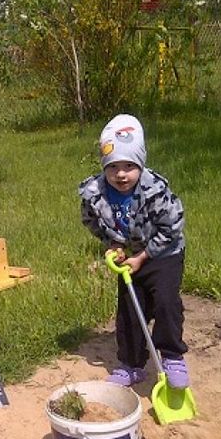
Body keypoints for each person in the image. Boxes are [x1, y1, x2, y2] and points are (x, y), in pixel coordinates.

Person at [78, 114, 189, 388]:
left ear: (140, 163)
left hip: (164, 253)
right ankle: (132, 364)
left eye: (129, 166)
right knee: (129, 310)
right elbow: (91, 220)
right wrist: (113, 243)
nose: (121, 174)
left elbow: (172, 227)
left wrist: (142, 257)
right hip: (131, 255)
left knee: (165, 303)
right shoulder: (96, 193)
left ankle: (172, 356)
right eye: (113, 167)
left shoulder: (155, 190)